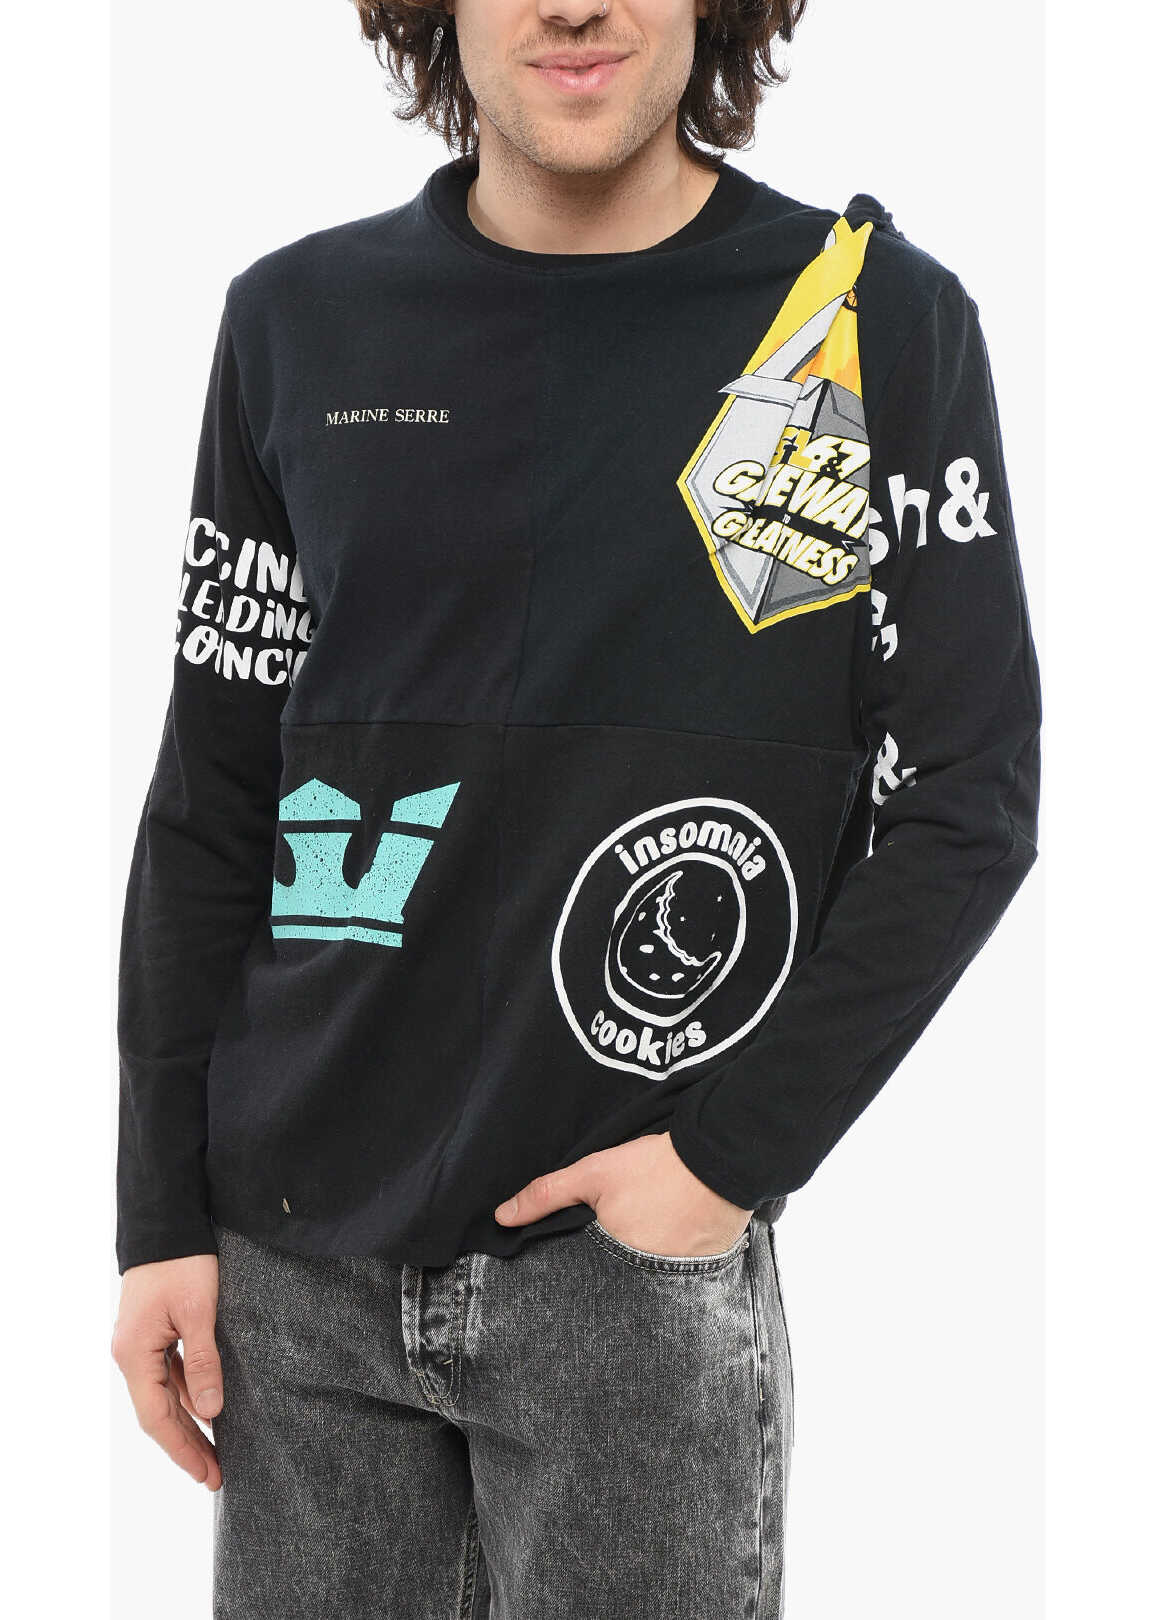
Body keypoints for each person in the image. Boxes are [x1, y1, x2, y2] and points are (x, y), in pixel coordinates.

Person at [111, 2, 1043, 1615]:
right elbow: (212, 794)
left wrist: (725, 1161)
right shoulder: (294, 319)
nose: (572, 5)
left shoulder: (862, 320)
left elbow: (968, 795)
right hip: (291, 1272)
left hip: (626, 1277)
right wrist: (156, 1217)